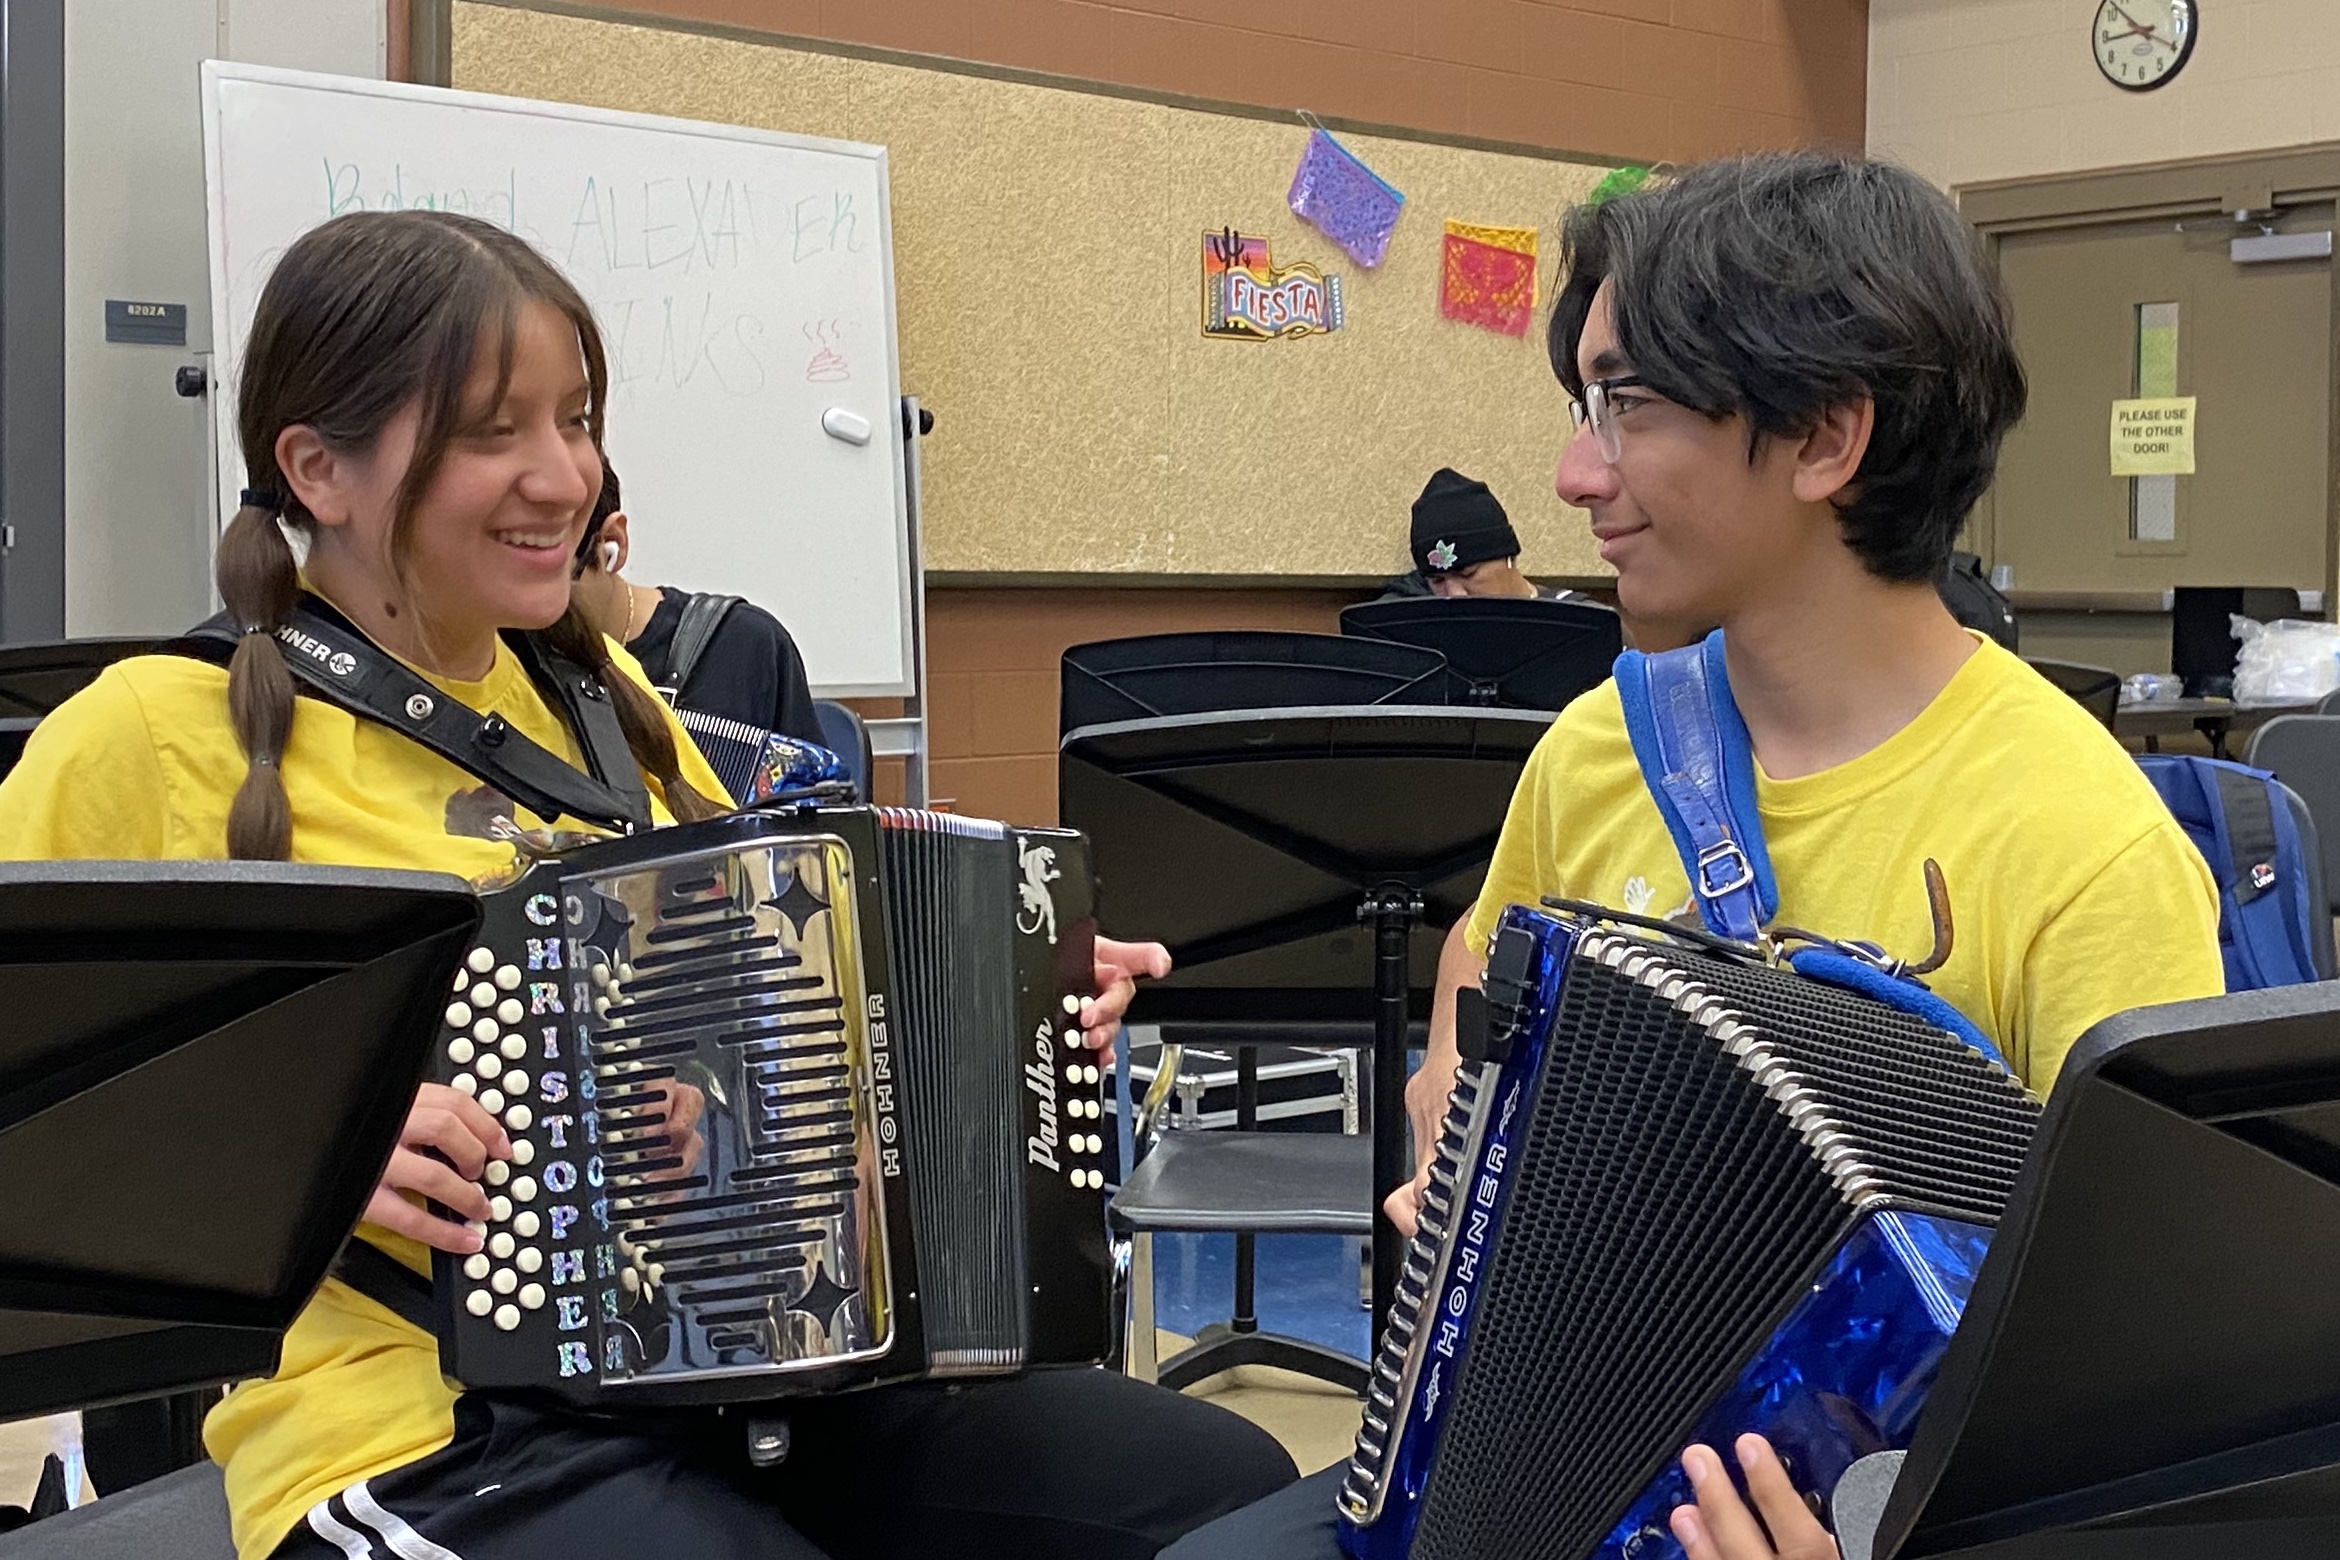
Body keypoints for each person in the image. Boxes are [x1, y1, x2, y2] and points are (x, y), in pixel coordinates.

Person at [0, 209, 1293, 1560]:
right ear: (318, 468)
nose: (565, 476)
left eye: (576, 419)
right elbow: (32, 1102)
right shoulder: (153, 729)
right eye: (496, 431)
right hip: (416, 1428)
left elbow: (791, 1017)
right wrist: (297, 1151)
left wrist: (1021, 1007)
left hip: (735, 1374)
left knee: (1225, 1494)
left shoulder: (598, 698)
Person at [1162, 151, 2223, 1560]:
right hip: (1518, 1462)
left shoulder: (2087, 846)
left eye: (1631, 406)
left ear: (1825, 438)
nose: (1572, 471)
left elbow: (2148, 1407)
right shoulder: (1601, 747)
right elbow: (1469, 1001)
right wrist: (1454, 1149)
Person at [570, 459, 824, 745]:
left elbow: (808, 786)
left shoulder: (743, 646)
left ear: (612, 544)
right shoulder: (516, 670)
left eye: (555, 574)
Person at [1378, 467, 1590, 601]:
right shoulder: (1411, 619)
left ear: (1509, 557)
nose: (1455, 594)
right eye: (1438, 581)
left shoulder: (1581, 618)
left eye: (1468, 573)